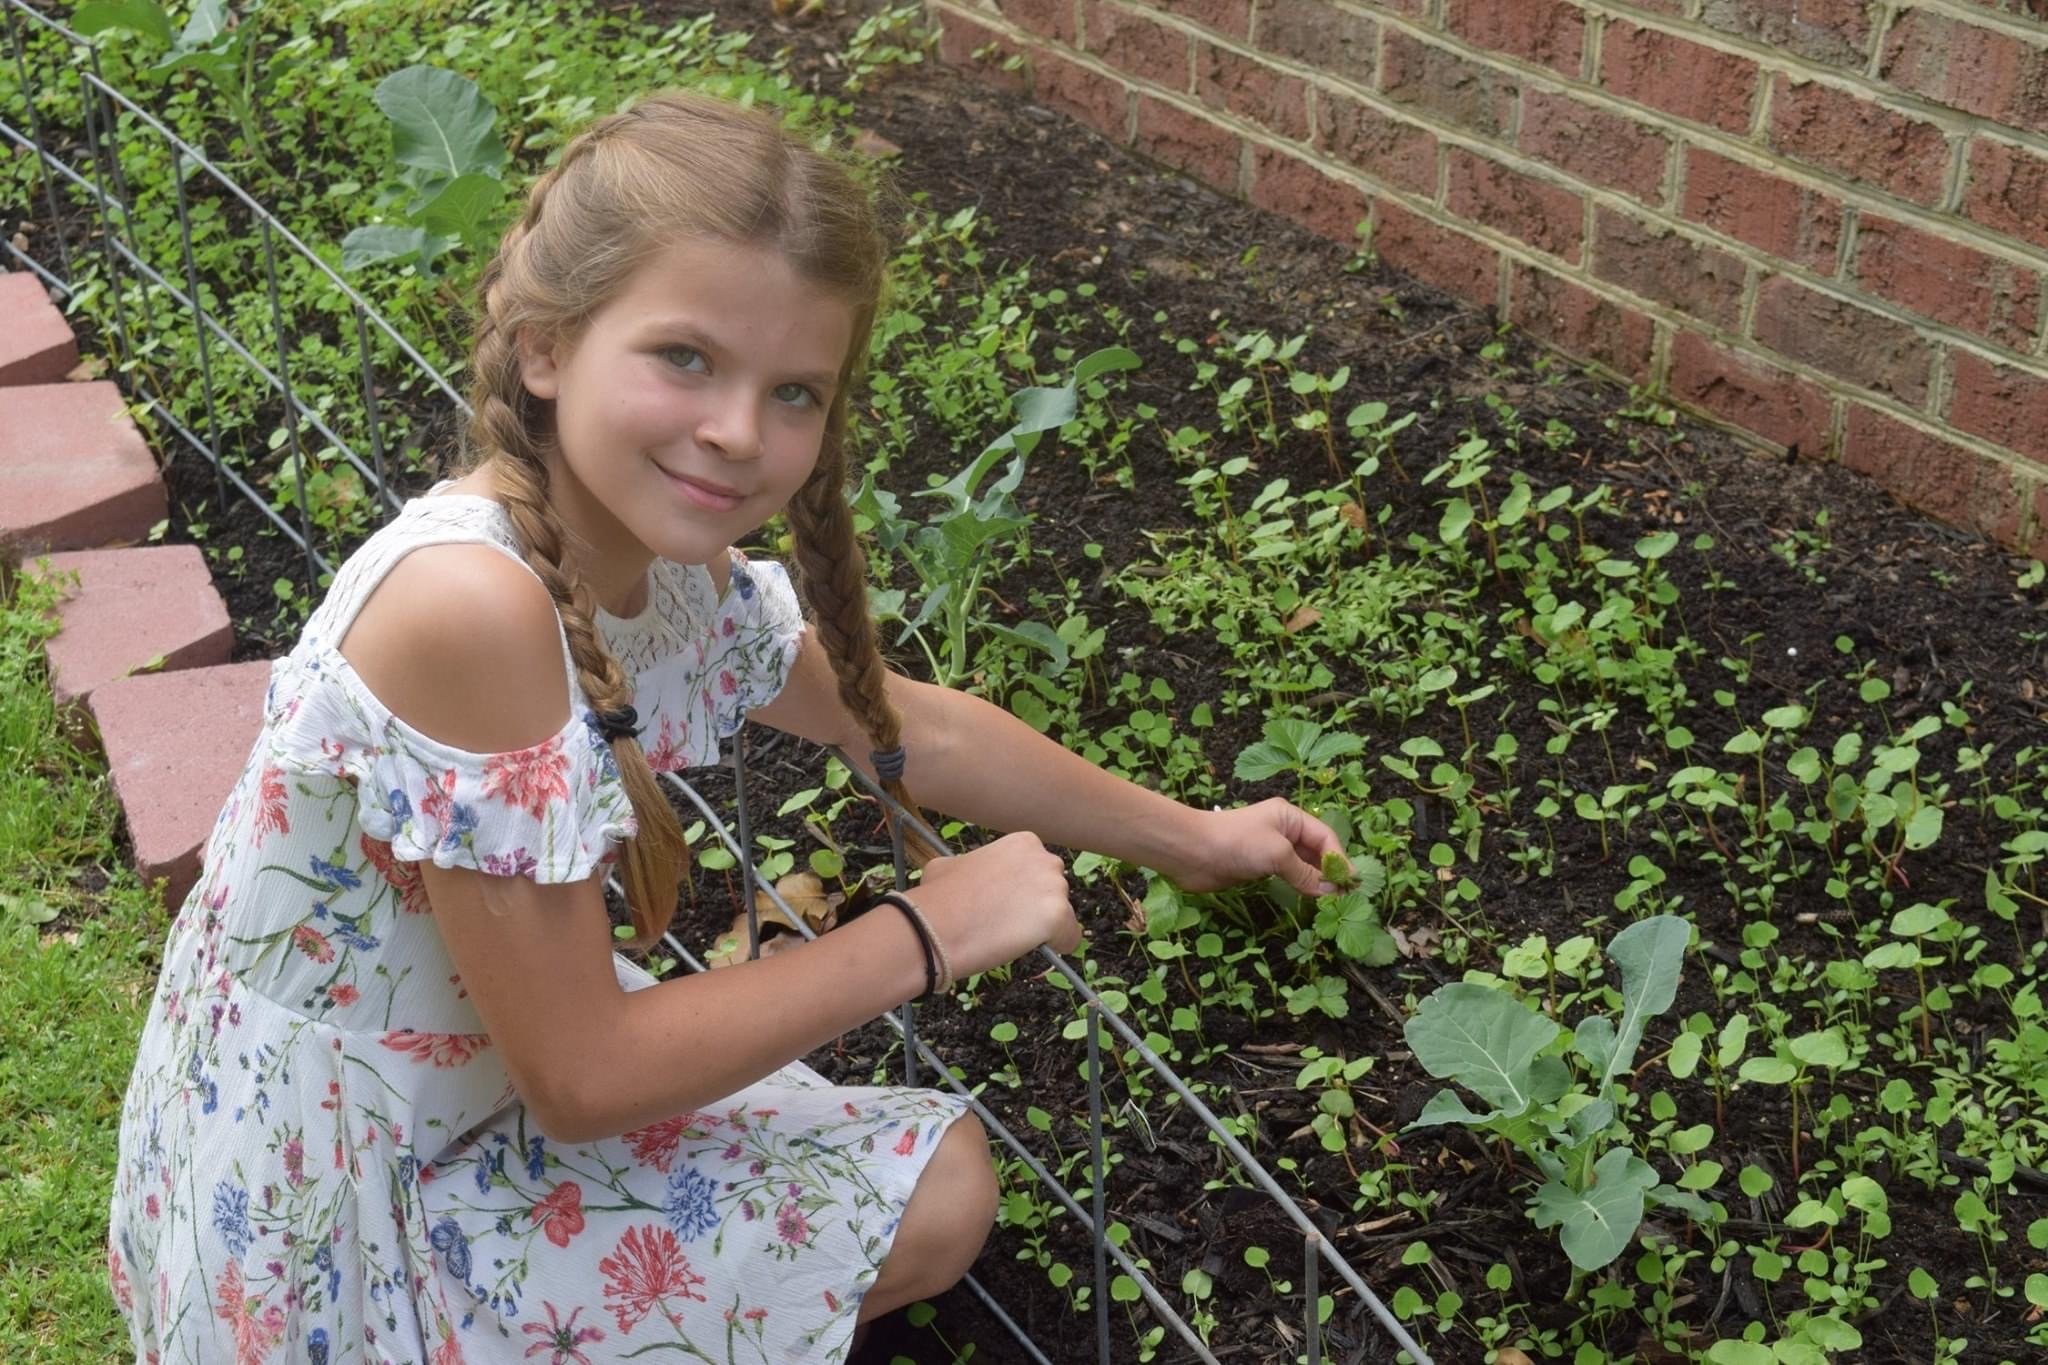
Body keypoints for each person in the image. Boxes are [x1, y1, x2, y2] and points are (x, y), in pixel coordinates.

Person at [107, 89, 1348, 1363]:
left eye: (795, 391)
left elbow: (905, 725)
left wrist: (1192, 839)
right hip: (345, 1187)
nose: (739, 435)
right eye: (685, 358)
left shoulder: (659, 559)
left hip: (462, 1073)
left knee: (940, 1186)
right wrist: (926, 932)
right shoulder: (470, 606)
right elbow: (583, 1081)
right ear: (546, 346)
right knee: (929, 1189)